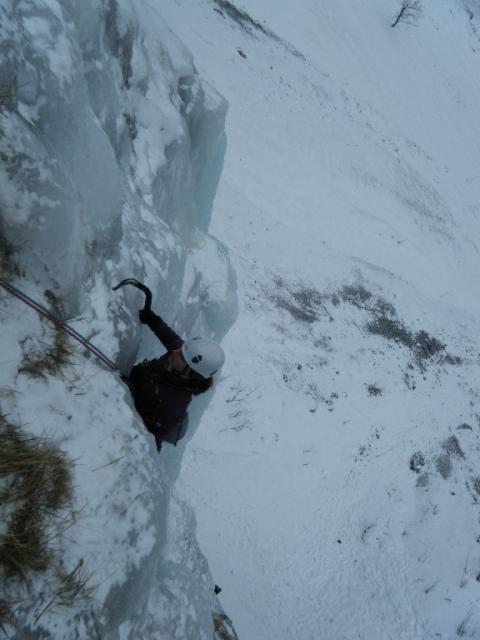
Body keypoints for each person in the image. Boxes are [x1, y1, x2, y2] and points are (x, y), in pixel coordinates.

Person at [127, 307, 225, 452]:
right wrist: (153, 320)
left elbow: (152, 442)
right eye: (182, 349)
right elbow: (172, 339)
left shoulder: (173, 406)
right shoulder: (184, 357)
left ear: (189, 372)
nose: (175, 351)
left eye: (181, 355)